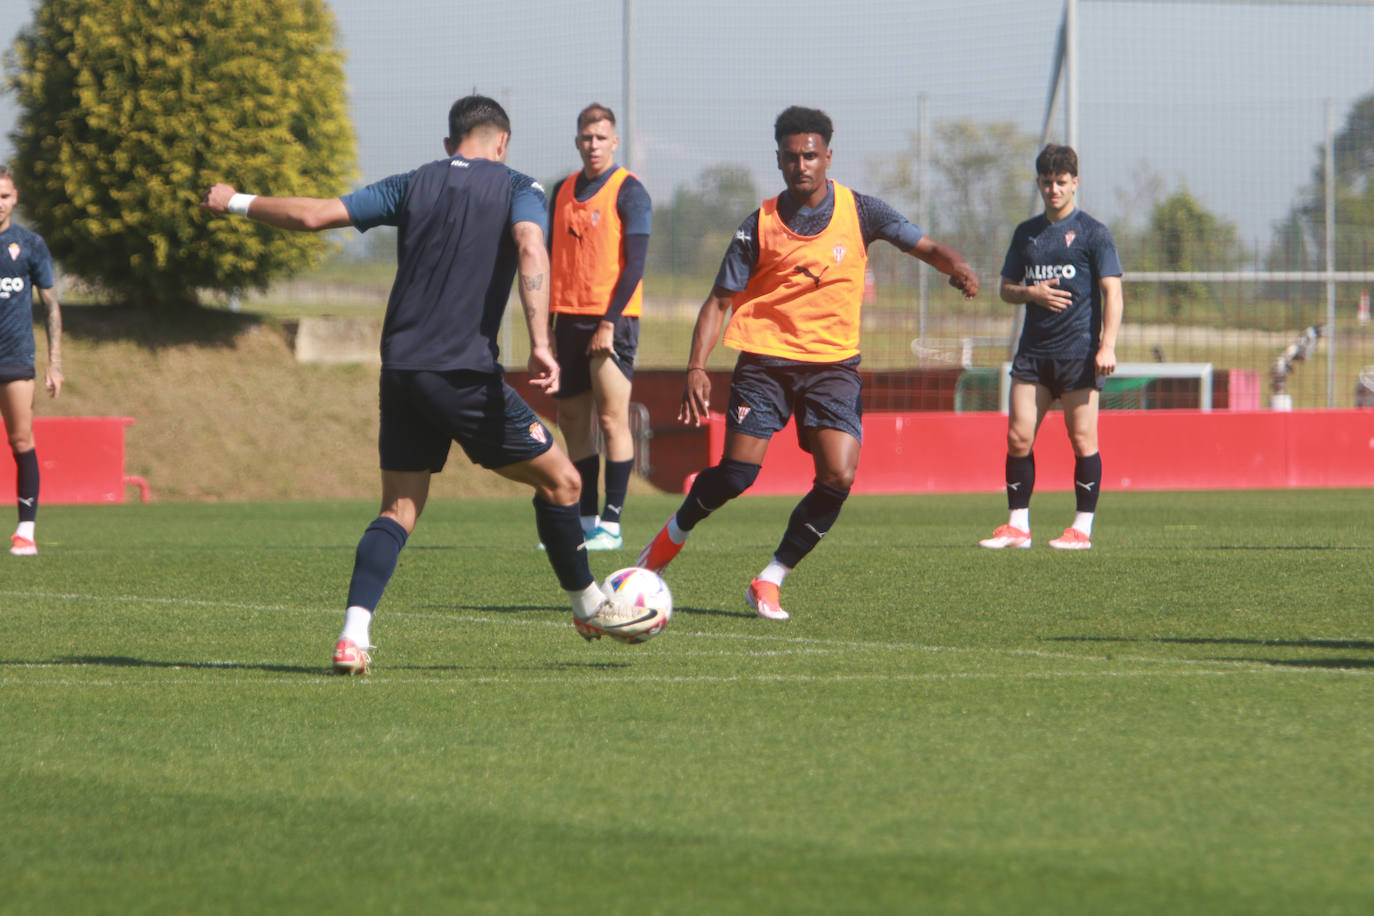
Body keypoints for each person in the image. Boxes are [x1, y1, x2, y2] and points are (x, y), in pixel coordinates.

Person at [201, 95, 661, 674]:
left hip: (401, 372)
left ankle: (353, 635)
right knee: (564, 481)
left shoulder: (413, 182)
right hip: (464, 373)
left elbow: (314, 215)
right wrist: (541, 342)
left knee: (398, 507)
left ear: (450, 144)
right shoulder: (521, 186)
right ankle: (588, 604)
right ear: (503, 142)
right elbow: (529, 247)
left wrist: (234, 200)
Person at [635, 106, 978, 620]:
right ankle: (665, 544)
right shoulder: (758, 225)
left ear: (828, 157)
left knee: (838, 475)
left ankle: (769, 579)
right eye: (792, 157)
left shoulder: (862, 212)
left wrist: (957, 264)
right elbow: (719, 300)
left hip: (833, 367)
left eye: (811, 156)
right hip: (766, 362)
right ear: (779, 159)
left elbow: (922, 243)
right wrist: (696, 368)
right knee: (736, 476)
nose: (802, 166)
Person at [978, 143, 1123, 551]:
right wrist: (1032, 293)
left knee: (1082, 440)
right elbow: (1007, 290)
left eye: (1061, 182)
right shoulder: (1026, 234)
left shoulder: (1094, 233)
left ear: (1075, 183)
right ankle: (1017, 527)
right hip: (1033, 355)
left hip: (1078, 355)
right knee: (1018, 437)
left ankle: (1082, 528)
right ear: (1039, 183)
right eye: (1046, 183)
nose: (1053, 190)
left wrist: (1106, 346)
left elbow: (1113, 293)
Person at [547, 103, 651, 551]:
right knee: (573, 420)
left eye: (601, 137)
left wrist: (608, 322)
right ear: (577, 141)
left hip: (613, 319)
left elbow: (635, 264)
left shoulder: (631, 192)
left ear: (615, 141)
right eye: (586, 137)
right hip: (566, 318)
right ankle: (585, 520)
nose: (593, 145)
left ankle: (612, 522)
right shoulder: (561, 191)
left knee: (611, 419)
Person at [0, 164, 63, 557]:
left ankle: (26, 531)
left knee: (21, 440)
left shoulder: (30, 245)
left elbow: (51, 306)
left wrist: (55, 363)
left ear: (15, 198)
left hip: (14, 357)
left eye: (4, 196)